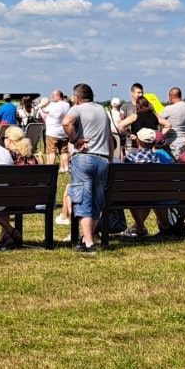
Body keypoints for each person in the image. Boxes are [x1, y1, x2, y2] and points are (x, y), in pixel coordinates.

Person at [61, 83, 112, 254]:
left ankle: (88, 242)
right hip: (103, 159)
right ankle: (86, 238)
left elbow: (66, 122)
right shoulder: (102, 111)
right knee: (97, 201)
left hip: (84, 158)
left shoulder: (78, 109)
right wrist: (110, 160)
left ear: (76, 98)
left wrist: (74, 140)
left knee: (83, 199)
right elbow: (110, 139)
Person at [159, 87, 185, 158]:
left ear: (170, 96)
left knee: (175, 166)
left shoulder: (169, 108)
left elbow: (157, 119)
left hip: (173, 142)